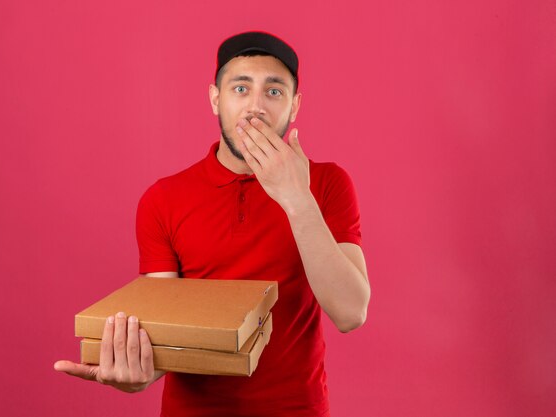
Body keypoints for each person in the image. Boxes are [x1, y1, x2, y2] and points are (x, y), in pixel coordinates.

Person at [55, 31, 370, 416]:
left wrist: (296, 199)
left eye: (274, 92)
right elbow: (164, 333)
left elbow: (351, 312)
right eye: (240, 88)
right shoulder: (164, 199)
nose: (255, 107)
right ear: (215, 99)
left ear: (295, 105)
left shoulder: (327, 184)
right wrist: (135, 374)